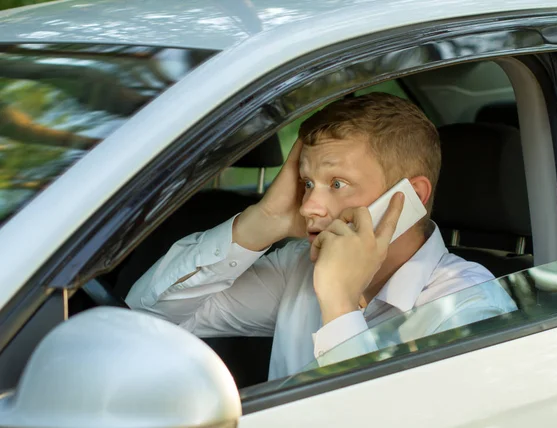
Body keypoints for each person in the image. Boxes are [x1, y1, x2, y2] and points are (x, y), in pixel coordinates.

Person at [126, 92, 516, 380]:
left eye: (338, 183)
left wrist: (340, 306)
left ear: (411, 197)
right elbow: (150, 313)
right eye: (307, 182)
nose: (310, 205)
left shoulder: (470, 308)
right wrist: (262, 221)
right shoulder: (297, 266)